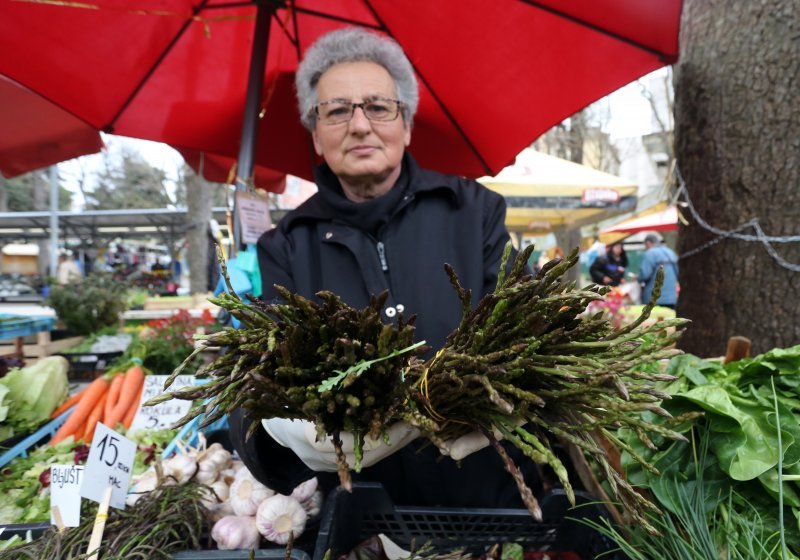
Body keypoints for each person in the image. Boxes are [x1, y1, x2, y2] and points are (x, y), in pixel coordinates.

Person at [229, 27, 541, 510]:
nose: (359, 125)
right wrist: (272, 427)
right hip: (355, 512)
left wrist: (518, 393)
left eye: (378, 107)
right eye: (336, 110)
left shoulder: (474, 211)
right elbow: (254, 379)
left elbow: (525, 330)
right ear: (316, 134)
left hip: (486, 501)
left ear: (407, 124)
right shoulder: (285, 245)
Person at [638, 232, 678, 308]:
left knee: (654, 319)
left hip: (654, 298)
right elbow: (678, 273)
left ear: (648, 243)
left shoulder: (650, 253)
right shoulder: (671, 252)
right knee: (670, 318)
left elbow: (644, 275)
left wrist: (638, 278)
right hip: (672, 298)